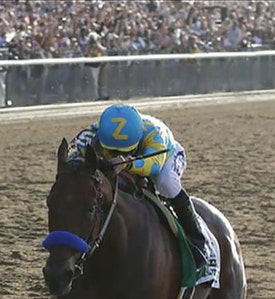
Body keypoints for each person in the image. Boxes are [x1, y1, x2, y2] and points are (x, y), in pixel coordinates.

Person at [67, 104, 207, 269]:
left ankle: (196, 239)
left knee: (166, 183)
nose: (116, 154)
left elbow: (153, 166)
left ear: (137, 141)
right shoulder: (90, 134)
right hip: (133, 158)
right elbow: (71, 153)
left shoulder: (156, 135)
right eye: (110, 150)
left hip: (166, 156)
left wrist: (126, 164)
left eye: (125, 151)